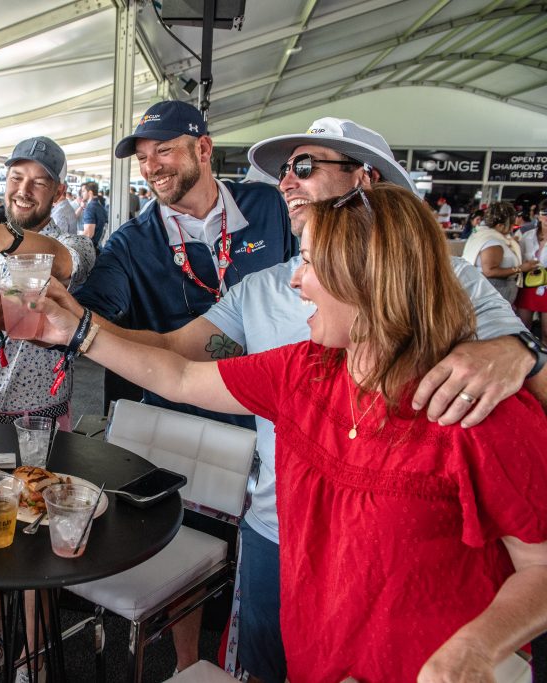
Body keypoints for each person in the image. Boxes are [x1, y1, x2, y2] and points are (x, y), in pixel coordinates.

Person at [55, 115, 544, 680]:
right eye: (285, 170)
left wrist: (521, 351)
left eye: (305, 166)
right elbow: (178, 362)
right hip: (281, 524)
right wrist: (72, 327)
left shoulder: (456, 299)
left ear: (368, 180)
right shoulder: (289, 340)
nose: (285, 182)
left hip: (408, 585)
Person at [74, 99, 296, 426]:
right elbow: (89, 310)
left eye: (163, 150)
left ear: (203, 149)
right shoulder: (132, 242)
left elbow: (301, 279)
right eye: (142, 158)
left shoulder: (268, 205)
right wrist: (56, 309)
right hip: (180, 423)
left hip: (271, 409)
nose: (151, 168)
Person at [0, 136, 95, 430]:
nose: (24, 191)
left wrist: (8, 238)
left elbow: (64, 263)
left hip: (45, 422)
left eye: (38, 182)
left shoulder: (74, 245)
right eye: (16, 178)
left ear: (59, 191)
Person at [462, 201, 538, 305]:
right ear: (500, 225)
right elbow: (489, 271)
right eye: (511, 224)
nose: (512, 227)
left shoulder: (482, 235)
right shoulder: (493, 242)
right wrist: (520, 268)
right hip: (492, 293)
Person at [517, 199, 547, 341]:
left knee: (546, 332)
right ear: (538, 216)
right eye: (544, 213)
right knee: (523, 329)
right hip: (527, 285)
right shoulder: (527, 236)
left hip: (546, 287)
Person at [80, 180, 108, 250]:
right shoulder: (100, 206)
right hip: (98, 247)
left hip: (91, 248)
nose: (81, 194)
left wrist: (76, 238)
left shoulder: (90, 208)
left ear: (90, 193)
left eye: (83, 191)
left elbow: (89, 234)